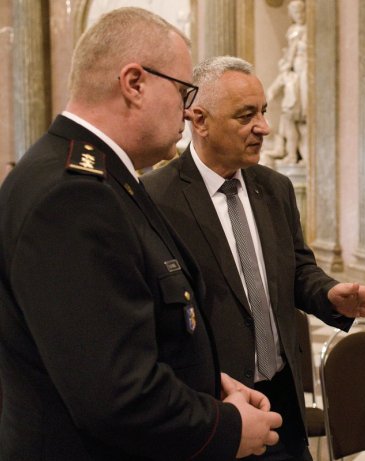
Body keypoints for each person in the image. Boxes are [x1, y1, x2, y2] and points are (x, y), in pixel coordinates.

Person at [0, 8, 281, 460]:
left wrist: (206, 385)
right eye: (183, 90)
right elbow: (117, 393)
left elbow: (129, 337)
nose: (189, 109)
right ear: (135, 83)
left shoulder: (102, 176)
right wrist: (223, 427)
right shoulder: (72, 195)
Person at [142, 55, 365, 461]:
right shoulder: (156, 199)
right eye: (246, 116)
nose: (264, 127)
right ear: (200, 121)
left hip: (283, 400)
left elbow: (298, 269)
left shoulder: (276, 188)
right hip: (215, 410)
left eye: (263, 112)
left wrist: (331, 294)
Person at [263, 0, 307, 165]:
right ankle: (287, 150)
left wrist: (287, 65)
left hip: (302, 76)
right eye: (295, 13)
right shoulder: (294, 32)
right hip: (295, 77)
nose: (299, 15)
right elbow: (289, 55)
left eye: (301, 12)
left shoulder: (304, 33)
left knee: (295, 116)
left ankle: (291, 152)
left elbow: (291, 56)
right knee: (288, 116)